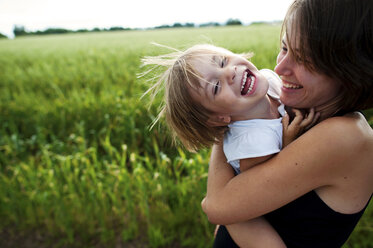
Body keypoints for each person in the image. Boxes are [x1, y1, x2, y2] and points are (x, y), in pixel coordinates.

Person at [201, 0, 373, 247]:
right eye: (284, 47)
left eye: (304, 60)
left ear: (349, 71)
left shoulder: (346, 136)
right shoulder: (295, 107)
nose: (280, 68)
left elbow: (217, 206)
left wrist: (229, 117)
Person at [142, 43, 316, 247]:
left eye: (223, 61)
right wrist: (288, 143)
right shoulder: (253, 144)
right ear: (219, 117)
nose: (230, 73)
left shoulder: (269, 80)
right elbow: (264, 185)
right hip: (251, 216)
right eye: (215, 87)